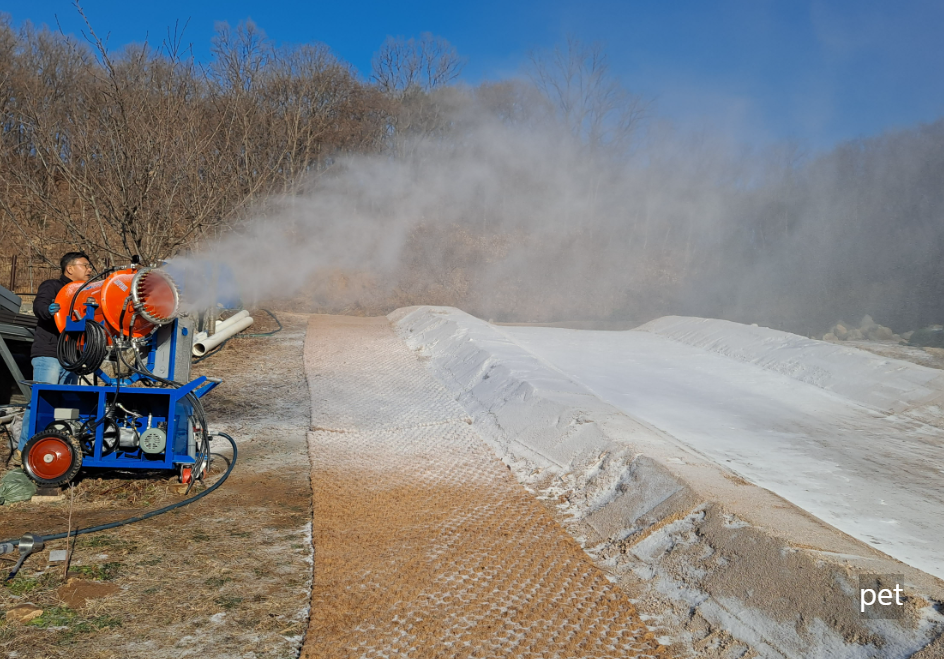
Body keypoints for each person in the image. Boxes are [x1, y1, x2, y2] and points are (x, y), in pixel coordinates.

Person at [14, 252, 94, 465]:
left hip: (72, 357)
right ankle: (24, 452)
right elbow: (40, 306)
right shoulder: (52, 286)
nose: (89, 270)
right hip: (49, 354)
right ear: (70, 269)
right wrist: (49, 310)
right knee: (41, 401)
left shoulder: (86, 293)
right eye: (85, 265)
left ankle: (60, 449)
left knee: (66, 406)